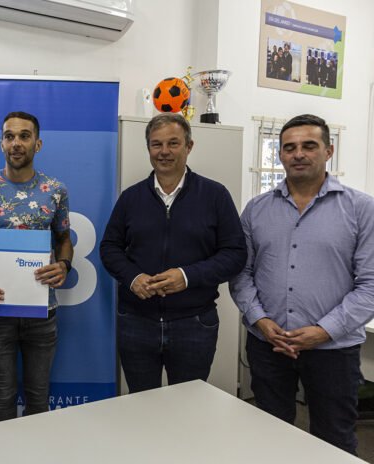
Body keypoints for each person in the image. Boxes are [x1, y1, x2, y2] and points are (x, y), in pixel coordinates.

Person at [230, 114, 374, 455]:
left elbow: (370, 285)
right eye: (289, 147)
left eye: (309, 146)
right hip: (268, 345)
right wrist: (260, 321)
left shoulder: (361, 209)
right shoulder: (256, 209)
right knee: (269, 436)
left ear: (328, 151)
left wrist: (323, 331)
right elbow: (240, 274)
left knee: (334, 440)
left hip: (333, 350)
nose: (298, 154)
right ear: (280, 154)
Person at [100, 113, 246, 393]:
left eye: (173, 143)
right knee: (142, 404)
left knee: (188, 405)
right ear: (148, 148)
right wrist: (133, 278)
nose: (164, 151)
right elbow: (109, 247)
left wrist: (187, 276)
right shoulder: (131, 198)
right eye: (156, 144)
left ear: (189, 146)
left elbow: (235, 254)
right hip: (136, 323)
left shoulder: (215, 195)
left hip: (194, 324)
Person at [0, 111, 73, 421]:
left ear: (37, 144)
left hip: (41, 311)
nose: (16, 143)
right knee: (3, 394)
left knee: (39, 395)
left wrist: (64, 264)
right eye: (9, 136)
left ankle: (36, 447)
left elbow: (64, 239)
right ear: (1, 143)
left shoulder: (55, 190)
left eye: (24, 136)